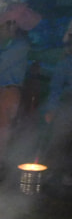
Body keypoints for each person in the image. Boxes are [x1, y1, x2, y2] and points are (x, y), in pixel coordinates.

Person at [0, 2, 41, 173]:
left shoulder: (19, 46)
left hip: (7, 91)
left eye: (5, 24)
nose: (1, 29)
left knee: (0, 126)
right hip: (1, 90)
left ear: (14, 25)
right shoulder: (15, 45)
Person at [43, 38, 72, 186]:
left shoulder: (65, 63)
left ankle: (65, 174)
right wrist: (52, 108)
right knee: (60, 139)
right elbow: (56, 87)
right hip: (67, 105)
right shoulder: (65, 63)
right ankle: (56, 173)